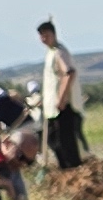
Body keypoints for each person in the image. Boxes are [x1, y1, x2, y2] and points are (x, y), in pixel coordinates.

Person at [34, 20, 86, 169]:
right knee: (54, 140)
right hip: (52, 108)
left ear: (54, 34)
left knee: (66, 142)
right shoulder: (51, 52)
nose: (44, 39)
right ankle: (65, 169)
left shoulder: (59, 52)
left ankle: (73, 169)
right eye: (42, 36)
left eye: (47, 35)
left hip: (62, 107)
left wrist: (61, 98)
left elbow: (69, 73)